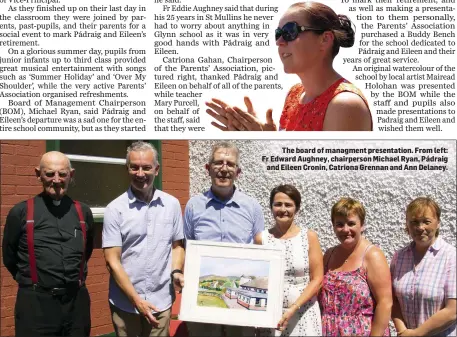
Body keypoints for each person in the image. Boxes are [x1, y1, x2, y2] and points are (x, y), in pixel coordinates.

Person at [206, 1, 372, 132]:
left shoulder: (345, 105)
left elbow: (329, 175)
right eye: (278, 34)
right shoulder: (294, 93)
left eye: (289, 31)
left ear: (325, 39)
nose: (279, 42)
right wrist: (265, 138)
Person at [2, 151, 94, 337]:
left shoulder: (83, 212)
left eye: (62, 174)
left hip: (76, 304)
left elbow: (87, 250)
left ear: (71, 175)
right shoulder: (20, 212)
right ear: (38, 174)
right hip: (35, 305)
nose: (57, 180)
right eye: (49, 174)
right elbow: (9, 258)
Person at [103, 141, 185, 337]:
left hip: (161, 301)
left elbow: (177, 246)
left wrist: (175, 271)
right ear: (127, 169)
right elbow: (111, 261)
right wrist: (137, 300)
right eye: (135, 167)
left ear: (156, 169)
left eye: (146, 167)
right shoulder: (115, 209)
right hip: (125, 304)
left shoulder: (172, 204)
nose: (140, 173)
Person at [183, 141, 264, 337]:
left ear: (238, 171)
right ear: (208, 168)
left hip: (241, 298)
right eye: (218, 163)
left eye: (230, 164)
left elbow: (261, 251)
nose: (224, 169)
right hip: (202, 298)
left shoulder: (252, 207)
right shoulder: (193, 206)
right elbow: (187, 247)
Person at [254, 184, 323, 336]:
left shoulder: (309, 237)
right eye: (278, 204)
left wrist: (294, 307)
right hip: (273, 316)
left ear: (297, 209)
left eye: (288, 205)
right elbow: (257, 277)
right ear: (271, 207)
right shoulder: (261, 239)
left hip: (303, 312)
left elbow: (317, 279)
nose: (283, 209)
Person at [319, 198, 391, 336]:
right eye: (339, 224)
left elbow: (385, 303)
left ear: (362, 225)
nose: (346, 229)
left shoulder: (372, 255)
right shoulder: (329, 254)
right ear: (333, 226)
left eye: (351, 223)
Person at [391, 197, 456, 336]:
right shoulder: (399, 257)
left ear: (438, 223)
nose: (420, 228)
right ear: (407, 224)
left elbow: (453, 310)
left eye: (426, 221)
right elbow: (393, 300)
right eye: (414, 222)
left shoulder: (451, 257)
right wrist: (403, 331)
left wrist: (417, 334)